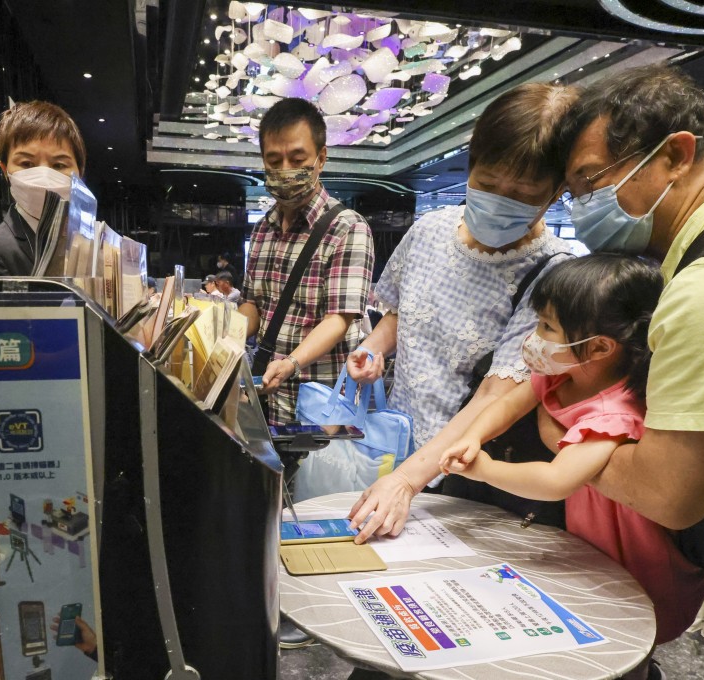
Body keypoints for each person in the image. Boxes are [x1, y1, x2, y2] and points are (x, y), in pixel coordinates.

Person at [553, 64, 704, 679]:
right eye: (573, 193)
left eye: (593, 179)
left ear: (675, 156)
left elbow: (669, 495)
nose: (584, 206)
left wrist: (562, 434)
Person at [439, 254, 704, 674]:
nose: (535, 337)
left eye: (547, 327)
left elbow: (556, 480)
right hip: (585, 531)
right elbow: (510, 403)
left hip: (631, 546)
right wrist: (473, 436)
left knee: (621, 622)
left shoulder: (614, 412)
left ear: (600, 346)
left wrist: (483, 469)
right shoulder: (563, 372)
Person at [346, 83, 578, 539]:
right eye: (487, 184)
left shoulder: (553, 273)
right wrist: (373, 348)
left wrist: (408, 481)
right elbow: (401, 312)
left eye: (523, 194)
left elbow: (496, 396)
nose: (500, 201)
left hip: (464, 470)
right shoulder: (430, 230)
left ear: (555, 193)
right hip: (396, 445)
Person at [239, 97, 374, 425]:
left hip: (319, 405)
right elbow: (253, 305)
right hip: (265, 398)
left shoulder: (348, 227)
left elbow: (338, 319)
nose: (285, 170)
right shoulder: (262, 229)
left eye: (297, 159)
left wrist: (291, 363)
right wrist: (220, 333)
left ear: (321, 158)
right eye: (274, 160)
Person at [0, 100, 86, 277]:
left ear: (80, 174)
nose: (44, 176)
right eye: (27, 164)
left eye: (59, 165)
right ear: (5, 171)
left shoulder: (92, 244)